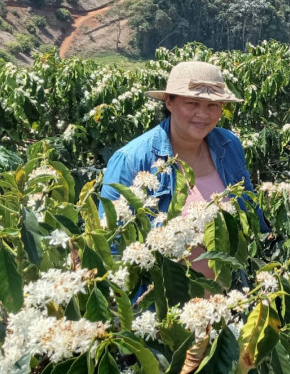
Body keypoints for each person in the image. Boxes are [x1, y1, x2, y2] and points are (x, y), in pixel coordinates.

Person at [99, 61, 269, 279]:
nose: (203, 114)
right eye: (192, 103)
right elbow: (112, 243)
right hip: (160, 299)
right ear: (169, 102)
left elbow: (248, 208)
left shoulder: (229, 144)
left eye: (213, 105)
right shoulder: (131, 160)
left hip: (227, 297)